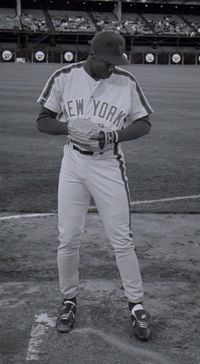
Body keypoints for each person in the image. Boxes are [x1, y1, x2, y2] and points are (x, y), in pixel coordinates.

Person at [36, 30, 153, 341]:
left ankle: (136, 305)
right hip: (73, 164)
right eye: (107, 62)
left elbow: (144, 123)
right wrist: (67, 127)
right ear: (93, 55)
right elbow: (42, 119)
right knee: (68, 237)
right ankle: (69, 300)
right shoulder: (64, 77)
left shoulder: (126, 82)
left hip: (108, 165)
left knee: (121, 240)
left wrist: (112, 135)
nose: (111, 68)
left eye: (116, 62)